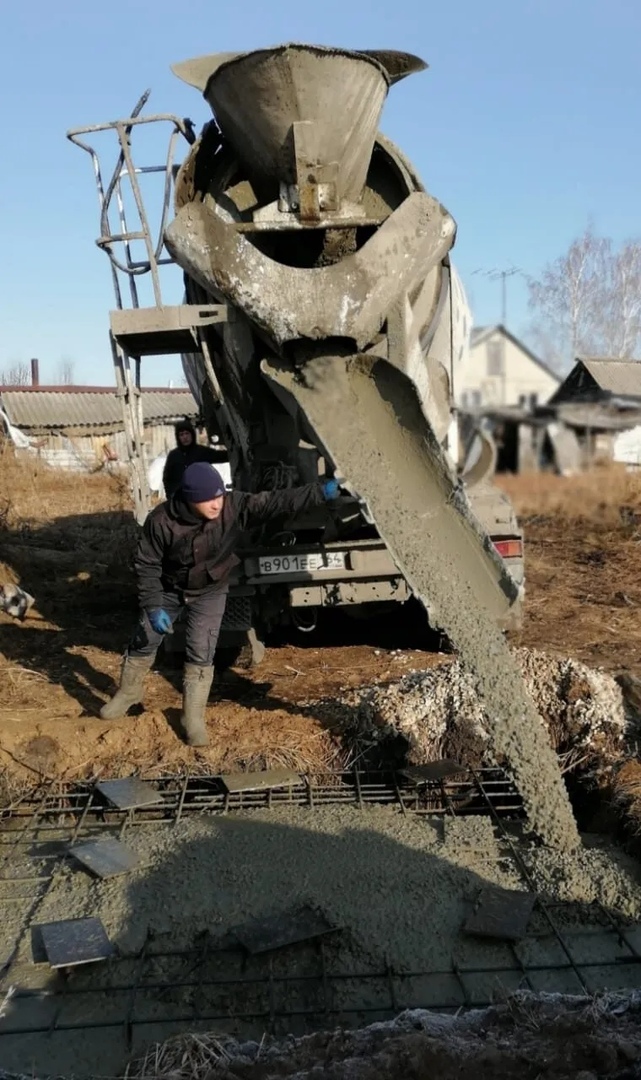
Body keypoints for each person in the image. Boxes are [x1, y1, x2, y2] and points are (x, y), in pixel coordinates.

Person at [100, 461, 340, 746]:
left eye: (219, 495)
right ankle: (129, 692)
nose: (216, 504)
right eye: (207, 499)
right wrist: (153, 607)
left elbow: (275, 502)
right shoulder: (161, 521)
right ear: (190, 499)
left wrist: (320, 492)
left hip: (210, 589)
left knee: (202, 648)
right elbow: (147, 565)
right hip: (169, 588)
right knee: (145, 637)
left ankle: (193, 717)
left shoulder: (232, 506)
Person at [162, 418, 226, 498]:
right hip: (181, 498)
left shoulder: (201, 452)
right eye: (181, 434)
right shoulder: (174, 455)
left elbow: (220, 456)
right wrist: (172, 495)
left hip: (200, 496)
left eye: (187, 433)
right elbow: (167, 478)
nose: (185, 437)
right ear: (178, 437)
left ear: (192, 434)